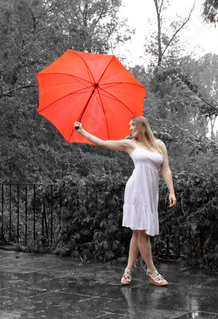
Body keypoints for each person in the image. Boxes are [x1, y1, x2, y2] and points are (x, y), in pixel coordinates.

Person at [74, 116, 176, 286]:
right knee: (142, 232)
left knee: (137, 233)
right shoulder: (130, 144)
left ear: (142, 126)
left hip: (150, 193)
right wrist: (82, 130)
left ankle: (128, 271)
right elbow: (102, 143)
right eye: (129, 126)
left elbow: (165, 169)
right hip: (136, 190)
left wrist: (171, 191)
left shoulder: (160, 145)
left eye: (132, 125)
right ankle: (152, 272)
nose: (130, 128)